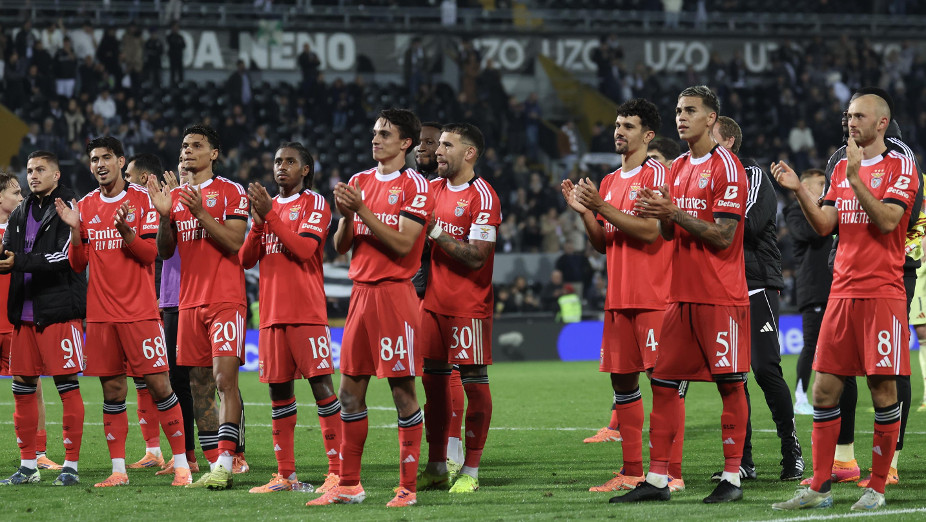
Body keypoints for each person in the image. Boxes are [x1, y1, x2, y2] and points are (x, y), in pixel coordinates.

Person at [772, 92, 916, 511]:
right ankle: (819, 487)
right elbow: (824, 226)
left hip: (882, 294)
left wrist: (856, 178)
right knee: (823, 390)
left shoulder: (901, 166)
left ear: (882, 123)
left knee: (882, 388)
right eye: (847, 115)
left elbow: (890, 220)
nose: (849, 122)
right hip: (841, 293)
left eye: (858, 116)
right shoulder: (839, 165)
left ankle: (876, 487)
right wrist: (799, 189)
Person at [613, 85, 750, 504]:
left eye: (690, 110)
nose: (681, 117)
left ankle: (732, 478)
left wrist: (673, 213)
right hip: (679, 295)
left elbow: (725, 236)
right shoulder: (675, 168)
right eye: (678, 110)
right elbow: (670, 232)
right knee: (665, 383)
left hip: (721, 294)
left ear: (712, 118)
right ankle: (657, 481)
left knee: (729, 383)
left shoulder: (728, 167)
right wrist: (662, 213)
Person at [307, 109, 431, 508]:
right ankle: (349, 484)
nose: (375, 139)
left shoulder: (415, 186)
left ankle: (407, 489)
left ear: (406, 143)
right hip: (360, 295)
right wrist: (346, 218)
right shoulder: (359, 182)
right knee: (348, 393)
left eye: (385, 134)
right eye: (375, 132)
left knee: (402, 393)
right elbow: (341, 247)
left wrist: (361, 211)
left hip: (395, 295)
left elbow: (402, 245)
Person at [563, 98, 685, 494]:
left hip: (654, 296)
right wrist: (584, 211)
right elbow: (602, 243)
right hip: (618, 298)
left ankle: (672, 472)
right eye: (617, 125)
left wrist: (601, 206)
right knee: (623, 385)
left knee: (662, 385)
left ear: (648, 136)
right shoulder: (610, 181)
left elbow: (651, 232)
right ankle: (632, 470)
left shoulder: (656, 173)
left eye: (628, 126)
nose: (619, 131)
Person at [54, 136, 190, 487]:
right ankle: (118, 471)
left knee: (160, 387)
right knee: (112, 393)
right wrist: (76, 232)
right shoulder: (84, 205)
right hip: (100, 317)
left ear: (120, 160)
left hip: (139, 313)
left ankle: (181, 467)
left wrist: (126, 231)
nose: (99, 164)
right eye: (94, 159)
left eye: (106, 158)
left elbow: (150, 256)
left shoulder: (143, 199)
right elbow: (77, 263)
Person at [147, 124, 249, 489]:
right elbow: (164, 252)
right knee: (199, 384)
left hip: (225, 299)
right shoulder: (174, 199)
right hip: (188, 302)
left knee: (224, 380)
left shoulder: (232, 192)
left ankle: (227, 461)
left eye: (196, 145)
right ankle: (213, 458)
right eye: (185, 145)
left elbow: (235, 243)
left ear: (214, 154)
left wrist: (201, 212)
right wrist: (163, 216)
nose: (188, 151)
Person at [239, 142, 342, 494]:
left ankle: (337, 472)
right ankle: (286, 475)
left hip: (305, 313)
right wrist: (257, 223)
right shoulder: (268, 208)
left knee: (323, 390)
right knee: (279, 395)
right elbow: (246, 259)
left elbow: (304, 249)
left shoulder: (315, 203)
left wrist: (269, 215)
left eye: (290, 161)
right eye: (278, 161)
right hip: (269, 315)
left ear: (306, 170)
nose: (281, 166)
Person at [711, 116, 804, 482]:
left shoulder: (753, 176)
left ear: (730, 141)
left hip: (755, 284)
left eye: (713, 138)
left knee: (765, 369)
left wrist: (702, 220)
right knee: (733, 377)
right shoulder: (710, 178)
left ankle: (792, 451)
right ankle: (742, 461)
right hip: (721, 289)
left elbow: (743, 225)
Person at [416, 123, 500, 494]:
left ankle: (471, 469)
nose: (438, 151)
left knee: (474, 384)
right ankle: (436, 464)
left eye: (447, 145)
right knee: (433, 388)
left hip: (469, 306)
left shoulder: (484, 196)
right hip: (432, 304)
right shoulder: (431, 189)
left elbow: (477, 258)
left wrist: (433, 230)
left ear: (469, 153)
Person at [0, 151, 87, 487]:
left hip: (57, 313)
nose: (32, 176)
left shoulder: (68, 208)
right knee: (22, 389)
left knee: (66, 388)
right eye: (28, 170)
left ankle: (71, 466)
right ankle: (27, 465)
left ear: (56, 175)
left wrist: (17, 261)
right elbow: (8, 248)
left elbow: (65, 257)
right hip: (23, 314)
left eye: (40, 170)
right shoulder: (20, 212)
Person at [123, 155, 199, 474]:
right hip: (168, 300)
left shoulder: (212, 198)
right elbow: (161, 254)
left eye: (129, 175)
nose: (125, 181)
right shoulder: (159, 205)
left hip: (195, 298)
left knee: (218, 379)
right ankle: (182, 456)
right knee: (171, 379)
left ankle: (233, 452)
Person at [411, 122, 467, 475]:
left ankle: (453, 446)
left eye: (431, 143)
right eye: (420, 142)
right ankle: (437, 452)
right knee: (430, 373)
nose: (424, 148)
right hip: (414, 288)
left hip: (444, 289)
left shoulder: (452, 190)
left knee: (450, 371)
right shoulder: (419, 186)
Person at [0, 171, 62, 472]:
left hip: (15, 322)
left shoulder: (27, 228)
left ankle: (38, 453)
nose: (21, 198)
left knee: (31, 385)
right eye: (15, 192)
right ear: (0, 198)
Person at [786, 168, 833, 416]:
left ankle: (832, 395)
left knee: (836, 346)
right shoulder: (795, 212)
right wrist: (816, 207)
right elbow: (809, 233)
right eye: (821, 183)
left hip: (836, 287)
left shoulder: (830, 209)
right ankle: (800, 396)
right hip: (814, 288)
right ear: (804, 187)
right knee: (811, 344)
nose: (826, 186)